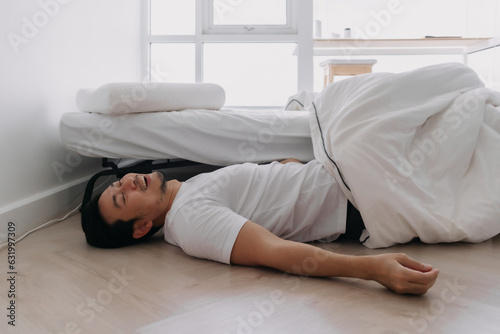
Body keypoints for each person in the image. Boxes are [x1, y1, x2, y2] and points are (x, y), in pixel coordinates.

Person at [81, 158, 439, 295]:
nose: (128, 181)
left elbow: (258, 193)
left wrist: (284, 168)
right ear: (142, 228)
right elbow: (274, 251)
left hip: (340, 171)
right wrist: (373, 269)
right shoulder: (190, 218)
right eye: (122, 198)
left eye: (118, 184)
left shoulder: (187, 193)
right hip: (358, 193)